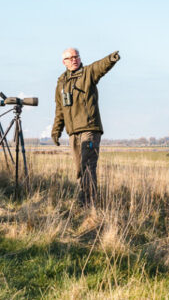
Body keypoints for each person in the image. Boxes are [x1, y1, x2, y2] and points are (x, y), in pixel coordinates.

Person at [51, 48, 120, 206]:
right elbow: (60, 109)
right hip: (73, 133)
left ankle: (89, 203)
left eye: (76, 57)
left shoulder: (88, 73)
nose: (74, 60)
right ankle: (84, 200)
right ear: (64, 62)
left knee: (88, 165)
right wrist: (56, 131)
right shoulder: (61, 82)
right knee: (79, 169)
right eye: (70, 58)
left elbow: (100, 66)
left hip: (89, 129)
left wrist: (111, 58)